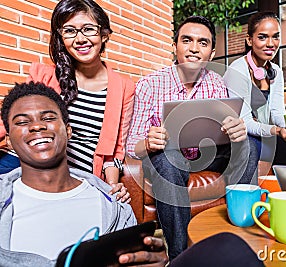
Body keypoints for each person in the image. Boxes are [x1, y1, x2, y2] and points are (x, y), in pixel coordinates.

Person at [126, 15, 259, 259]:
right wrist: (146, 142)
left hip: (207, 154)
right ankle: (180, 255)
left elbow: (225, 129)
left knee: (249, 143)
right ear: (174, 45)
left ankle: (245, 232)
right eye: (187, 40)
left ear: (212, 51)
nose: (194, 49)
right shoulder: (150, 84)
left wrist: (236, 130)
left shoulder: (217, 83)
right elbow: (131, 145)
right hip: (171, 158)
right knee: (167, 160)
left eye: (203, 43)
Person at [0, 82, 167, 267]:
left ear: (68, 131)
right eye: (22, 122)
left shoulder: (117, 208)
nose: (37, 126)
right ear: (8, 141)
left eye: (48, 118)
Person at [0, 0, 134, 194]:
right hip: (26, 165)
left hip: (75, 177)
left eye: (88, 29)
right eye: (70, 31)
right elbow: (9, 121)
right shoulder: (44, 75)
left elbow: (116, 150)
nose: (80, 39)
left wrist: (112, 185)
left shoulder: (124, 88)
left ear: (104, 35)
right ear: (61, 37)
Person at [223, 11, 286, 165]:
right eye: (262, 37)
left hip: (267, 136)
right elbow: (245, 123)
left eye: (275, 36)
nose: (271, 44)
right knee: (250, 147)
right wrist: (277, 131)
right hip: (244, 138)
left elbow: (277, 113)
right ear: (249, 40)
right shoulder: (237, 70)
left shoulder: (276, 71)